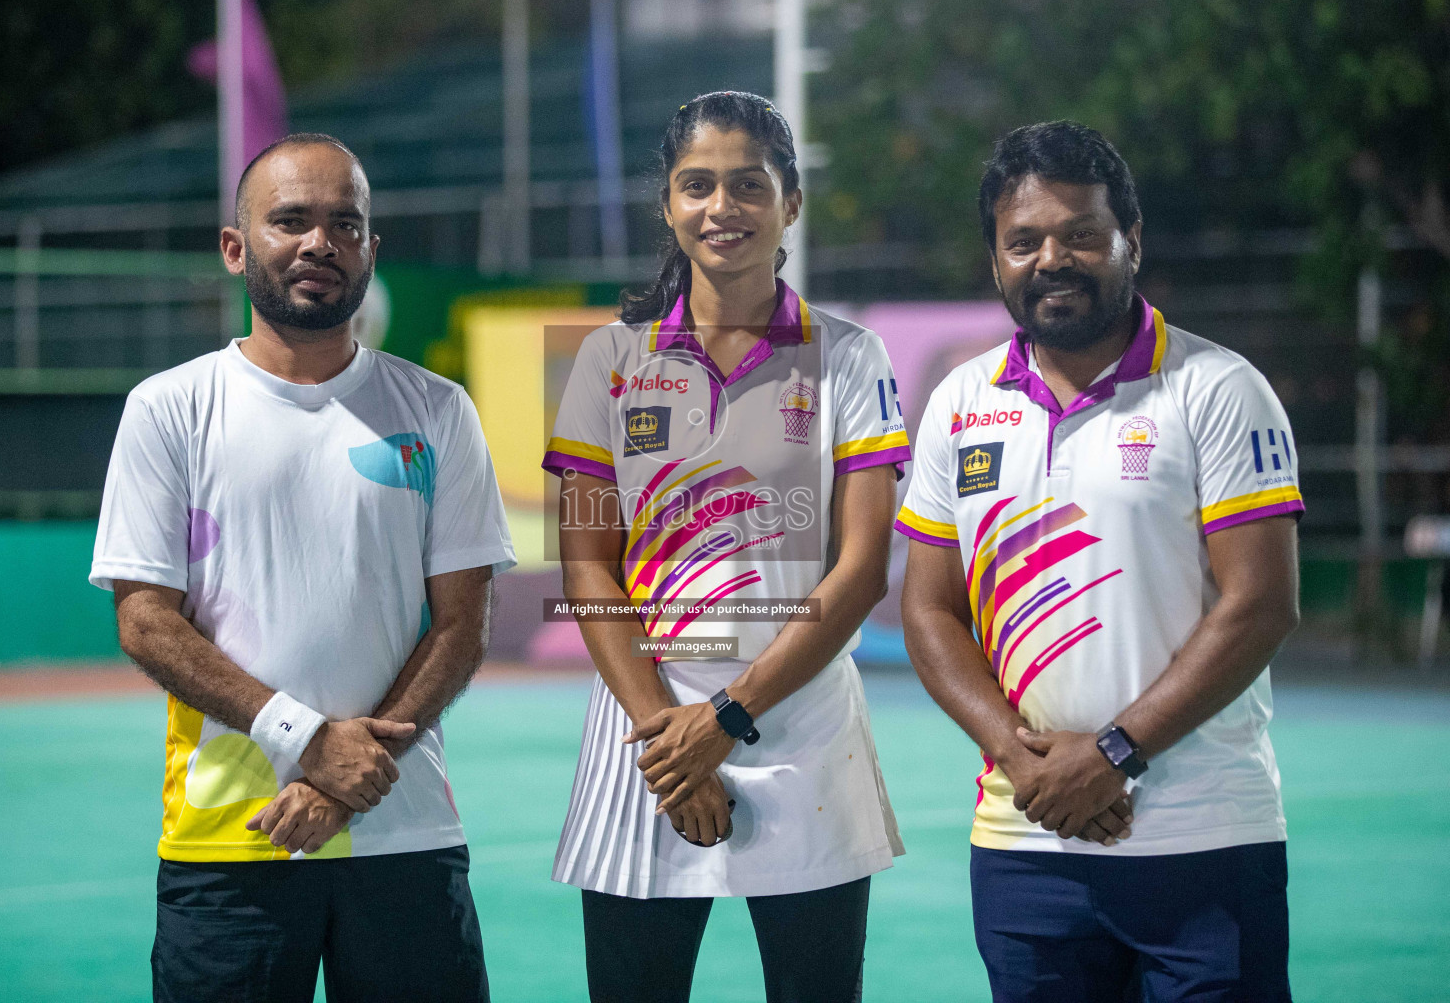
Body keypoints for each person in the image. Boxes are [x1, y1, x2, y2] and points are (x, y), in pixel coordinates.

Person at [90, 133, 515, 1003]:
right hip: (230, 839)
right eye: (291, 221)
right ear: (236, 247)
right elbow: (145, 619)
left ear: (370, 251)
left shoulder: (439, 411)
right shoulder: (168, 409)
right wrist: (309, 742)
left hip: (404, 833)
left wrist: (350, 779)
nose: (320, 242)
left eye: (344, 224)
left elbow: (463, 623)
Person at [897, 120, 1302, 1002]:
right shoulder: (961, 402)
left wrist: (1113, 752)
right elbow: (929, 610)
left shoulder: (1217, 388)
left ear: (1132, 240)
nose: (1054, 258)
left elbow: (1261, 604)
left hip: (1205, 839)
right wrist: (1023, 757)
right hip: (1025, 846)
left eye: (1082, 233)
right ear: (996, 257)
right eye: (1025, 241)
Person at [542, 90, 909, 1003]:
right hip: (647, 739)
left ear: (791, 202)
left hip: (802, 732)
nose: (723, 208)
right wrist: (668, 734)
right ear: (667, 205)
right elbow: (588, 563)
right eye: (697, 185)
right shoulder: (606, 359)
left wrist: (728, 719)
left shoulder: (852, 358)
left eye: (749, 185)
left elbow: (860, 570)